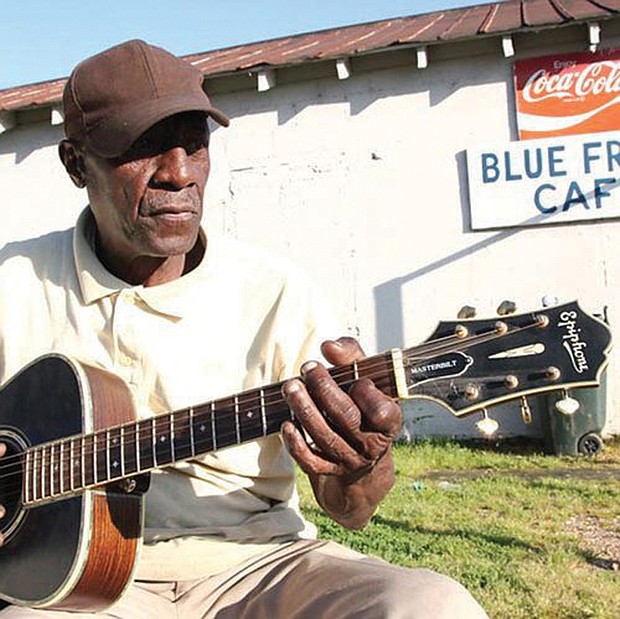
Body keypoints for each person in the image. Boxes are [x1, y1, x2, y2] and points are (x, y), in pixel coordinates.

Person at [0, 40, 487, 618]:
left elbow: (348, 510)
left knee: (432, 606)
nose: (178, 174)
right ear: (76, 165)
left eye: (195, 145)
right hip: (66, 585)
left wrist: (361, 465)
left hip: (256, 564)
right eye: (143, 148)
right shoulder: (14, 282)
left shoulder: (275, 292)